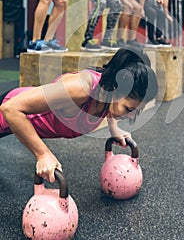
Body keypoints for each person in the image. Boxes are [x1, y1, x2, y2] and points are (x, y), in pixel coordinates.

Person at [0, 48, 158, 183]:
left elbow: (112, 105)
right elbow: (10, 109)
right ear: (115, 89)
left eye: (136, 111)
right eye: (128, 109)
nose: (131, 117)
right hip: (9, 112)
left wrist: (113, 128)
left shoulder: (108, 93)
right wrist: (43, 154)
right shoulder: (80, 89)